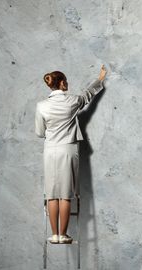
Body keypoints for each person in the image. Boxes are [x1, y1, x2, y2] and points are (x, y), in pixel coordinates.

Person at [35, 65, 107, 243]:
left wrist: (52, 133)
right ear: (61, 83)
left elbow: (39, 132)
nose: (68, 83)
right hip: (68, 150)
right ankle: (63, 234)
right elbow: (88, 95)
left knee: (52, 193)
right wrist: (100, 80)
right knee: (65, 193)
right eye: (65, 81)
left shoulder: (41, 106)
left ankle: (54, 235)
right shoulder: (72, 101)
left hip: (50, 150)